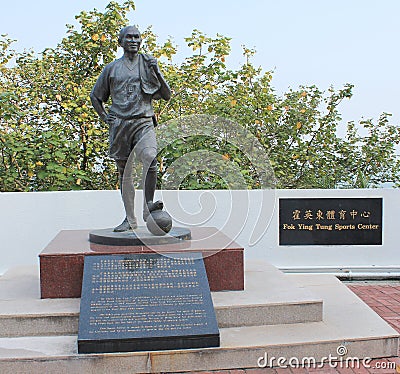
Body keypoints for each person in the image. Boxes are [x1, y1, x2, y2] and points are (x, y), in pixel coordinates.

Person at [90, 25, 171, 232]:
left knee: (150, 157)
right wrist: (104, 117)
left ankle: (148, 205)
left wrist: (158, 72)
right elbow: (96, 96)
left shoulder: (147, 64)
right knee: (124, 173)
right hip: (121, 124)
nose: (134, 40)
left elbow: (166, 94)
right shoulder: (112, 69)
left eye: (137, 37)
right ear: (121, 42)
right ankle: (130, 219)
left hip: (143, 120)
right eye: (129, 37)